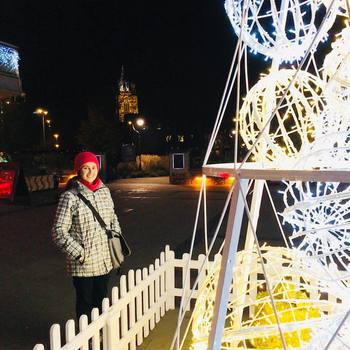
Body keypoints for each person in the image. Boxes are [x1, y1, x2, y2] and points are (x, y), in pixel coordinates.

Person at [52, 151, 121, 320]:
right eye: (85, 168)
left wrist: (116, 238)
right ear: (78, 170)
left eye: (93, 167)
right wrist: (80, 254)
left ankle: (99, 336)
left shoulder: (104, 191)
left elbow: (113, 217)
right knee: (85, 303)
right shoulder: (70, 197)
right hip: (84, 264)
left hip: (105, 260)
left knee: (101, 301)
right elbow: (58, 231)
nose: (90, 172)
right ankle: (86, 341)